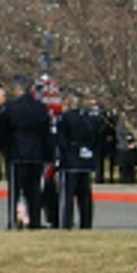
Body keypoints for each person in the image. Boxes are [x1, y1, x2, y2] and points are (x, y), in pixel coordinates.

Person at [0, 76, 52, 229]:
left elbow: (2, 129)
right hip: (36, 153)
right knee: (34, 190)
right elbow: (45, 132)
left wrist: (4, 149)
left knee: (15, 189)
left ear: (17, 89)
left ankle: (12, 220)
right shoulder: (40, 107)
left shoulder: (10, 107)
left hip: (17, 152)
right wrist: (47, 153)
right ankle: (34, 221)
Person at [54, 91, 101, 229]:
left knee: (67, 196)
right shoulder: (90, 119)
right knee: (84, 196)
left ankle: (65, 223)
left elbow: (62, 140)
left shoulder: (64, 118)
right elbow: (96, 139)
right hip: (85, 161)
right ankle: (86, 223)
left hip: (70, 161)